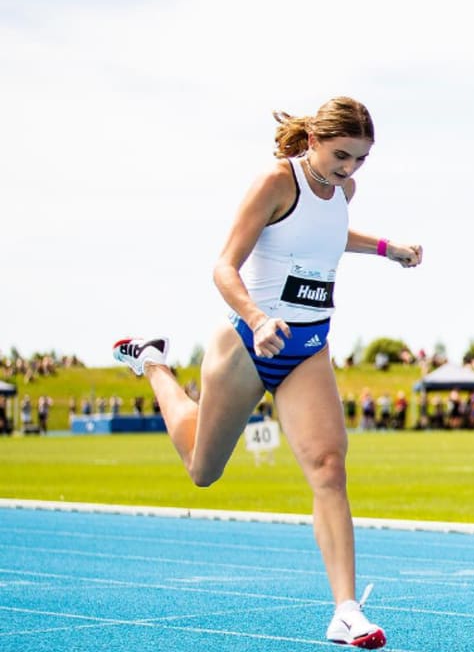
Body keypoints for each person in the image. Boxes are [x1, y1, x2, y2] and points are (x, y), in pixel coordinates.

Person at [113, 96, 422, 648]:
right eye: (341, 155)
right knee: (202, 469)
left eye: (360, 159)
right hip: (245, 342)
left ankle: (346, 611)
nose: (350, 168)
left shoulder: (344, 191)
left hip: (307, 347)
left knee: (329, 468)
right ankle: (155, 363)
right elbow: (223, 266)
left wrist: (385, 248)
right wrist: (257, 320)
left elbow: (327, 235)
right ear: (313, 142)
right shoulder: (277, 182)